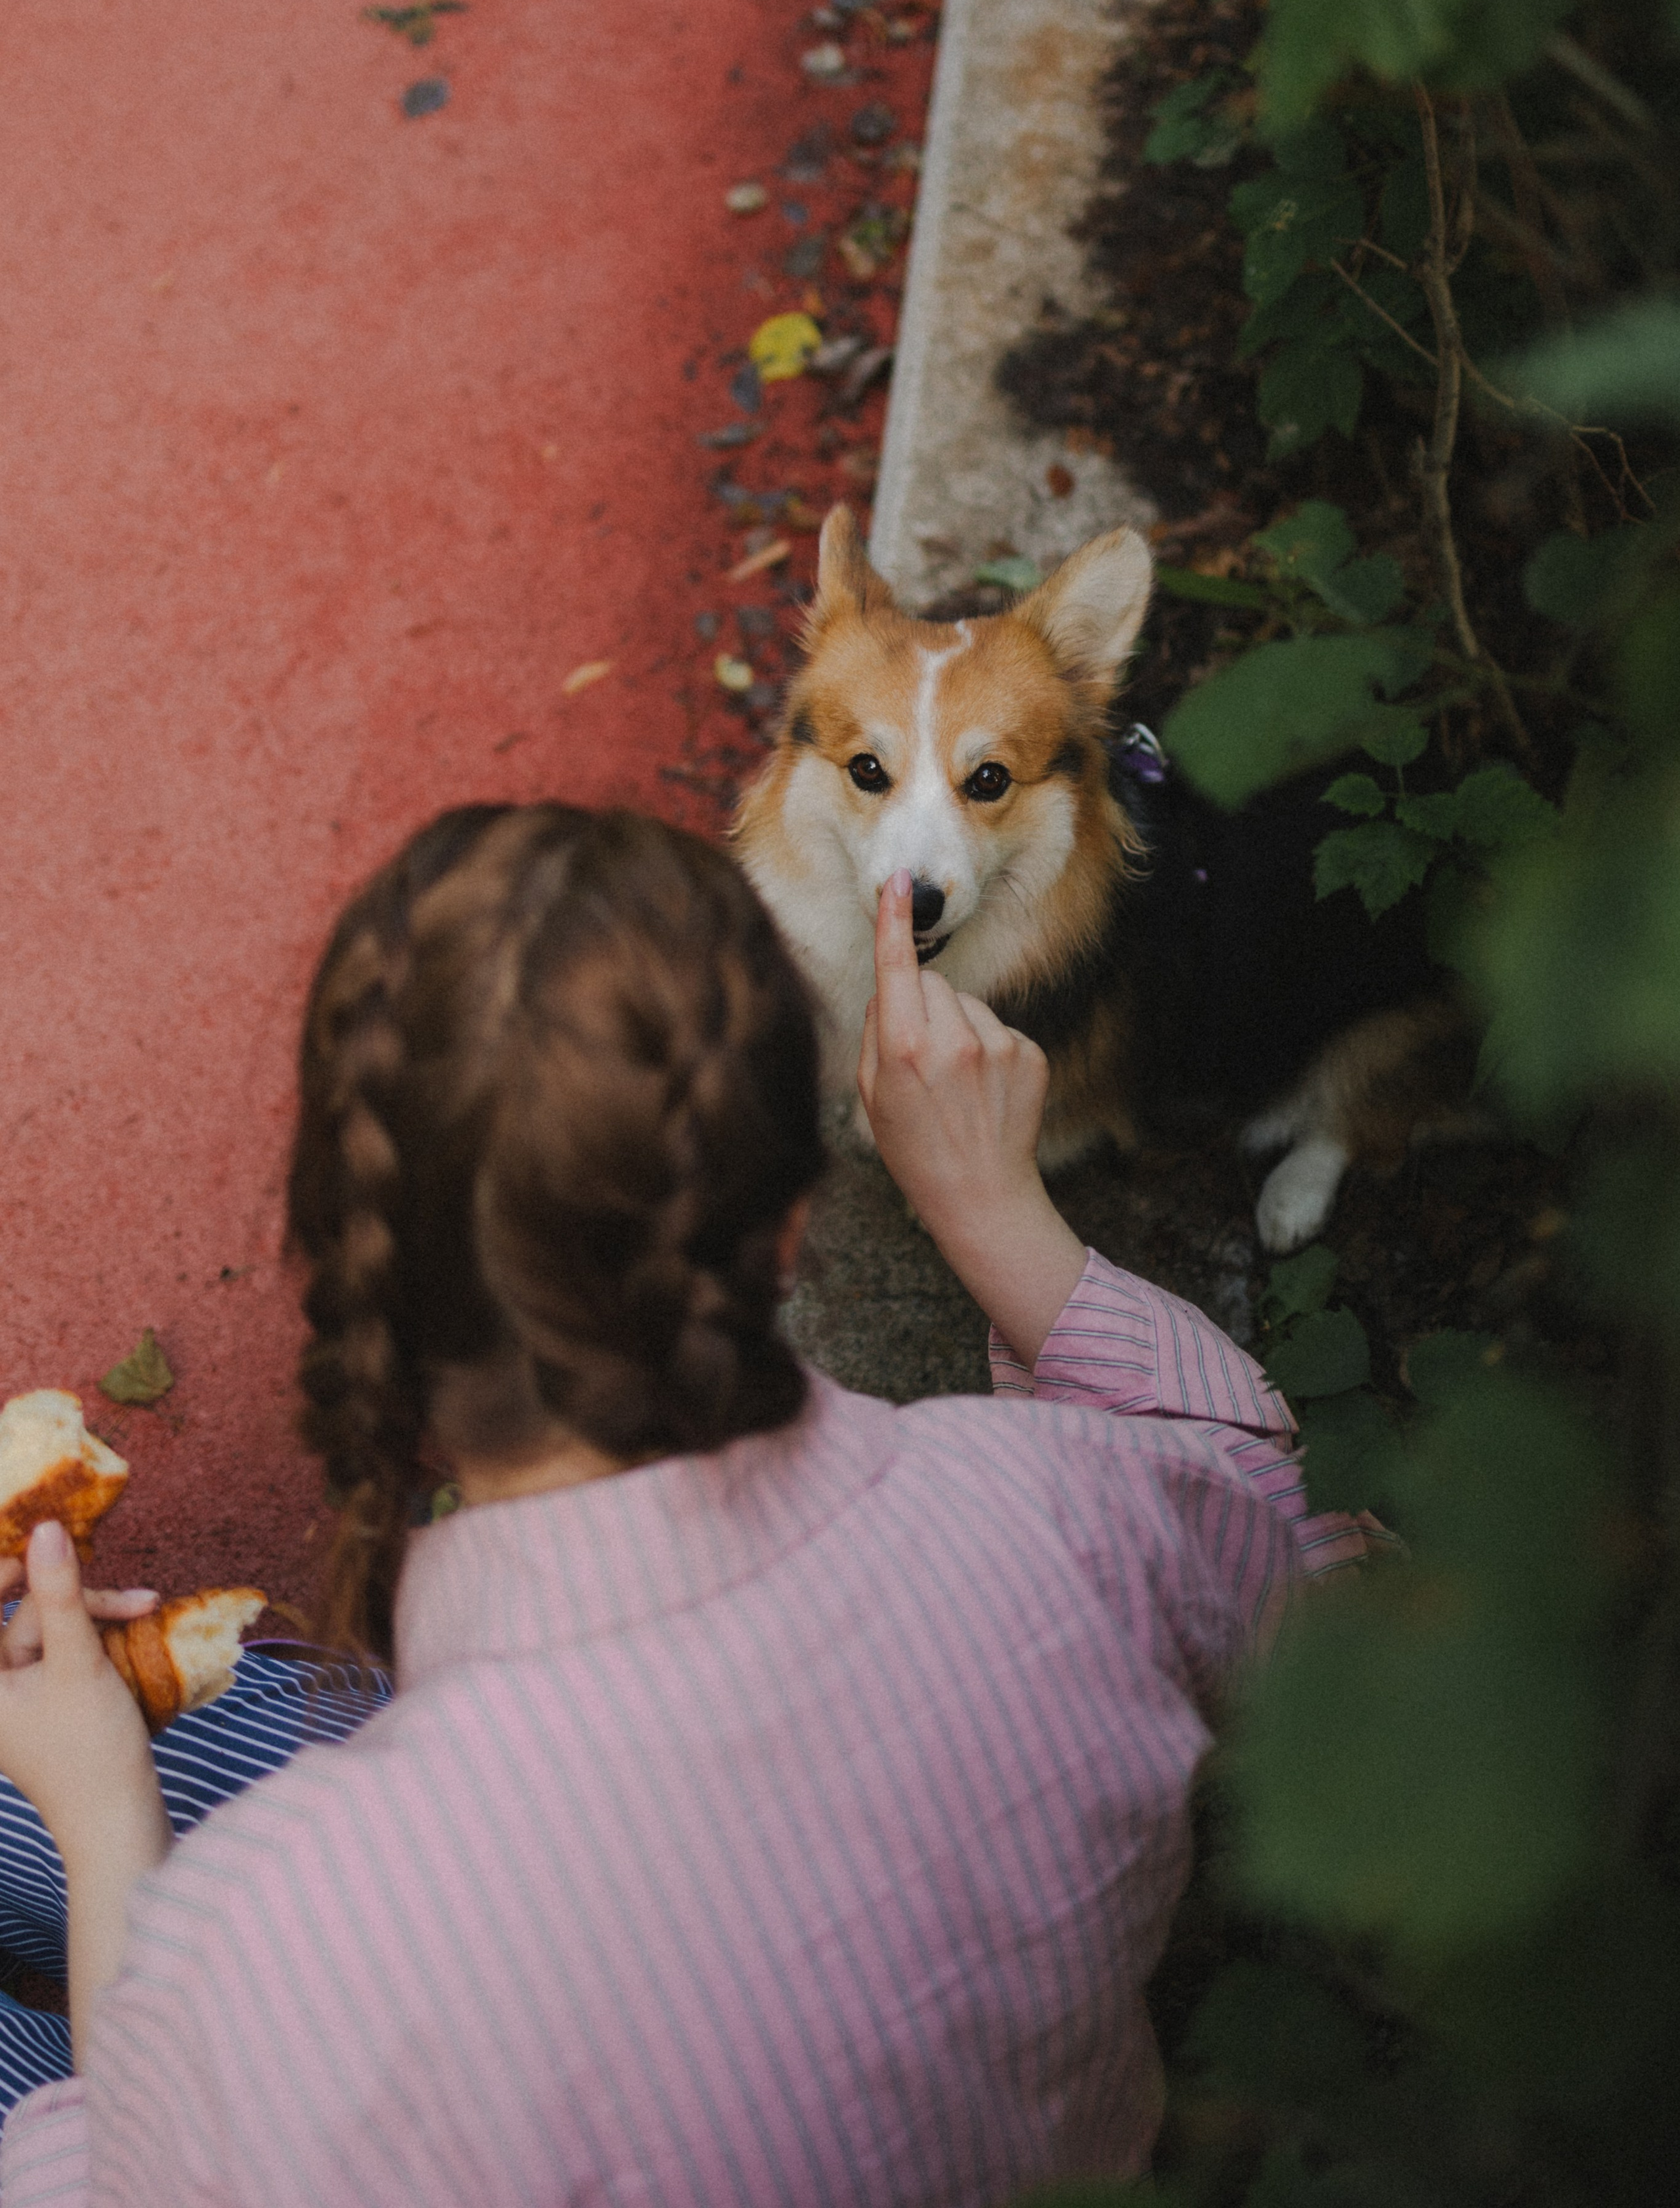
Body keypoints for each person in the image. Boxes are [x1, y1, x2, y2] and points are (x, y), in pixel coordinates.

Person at [0, 802, 1364, 2207]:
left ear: (352, 1277)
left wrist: (104, 1820)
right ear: (787, 1203)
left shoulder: (289, 1928)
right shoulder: (1064, 1525)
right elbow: (1256, 1511)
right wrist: (983, 1201)